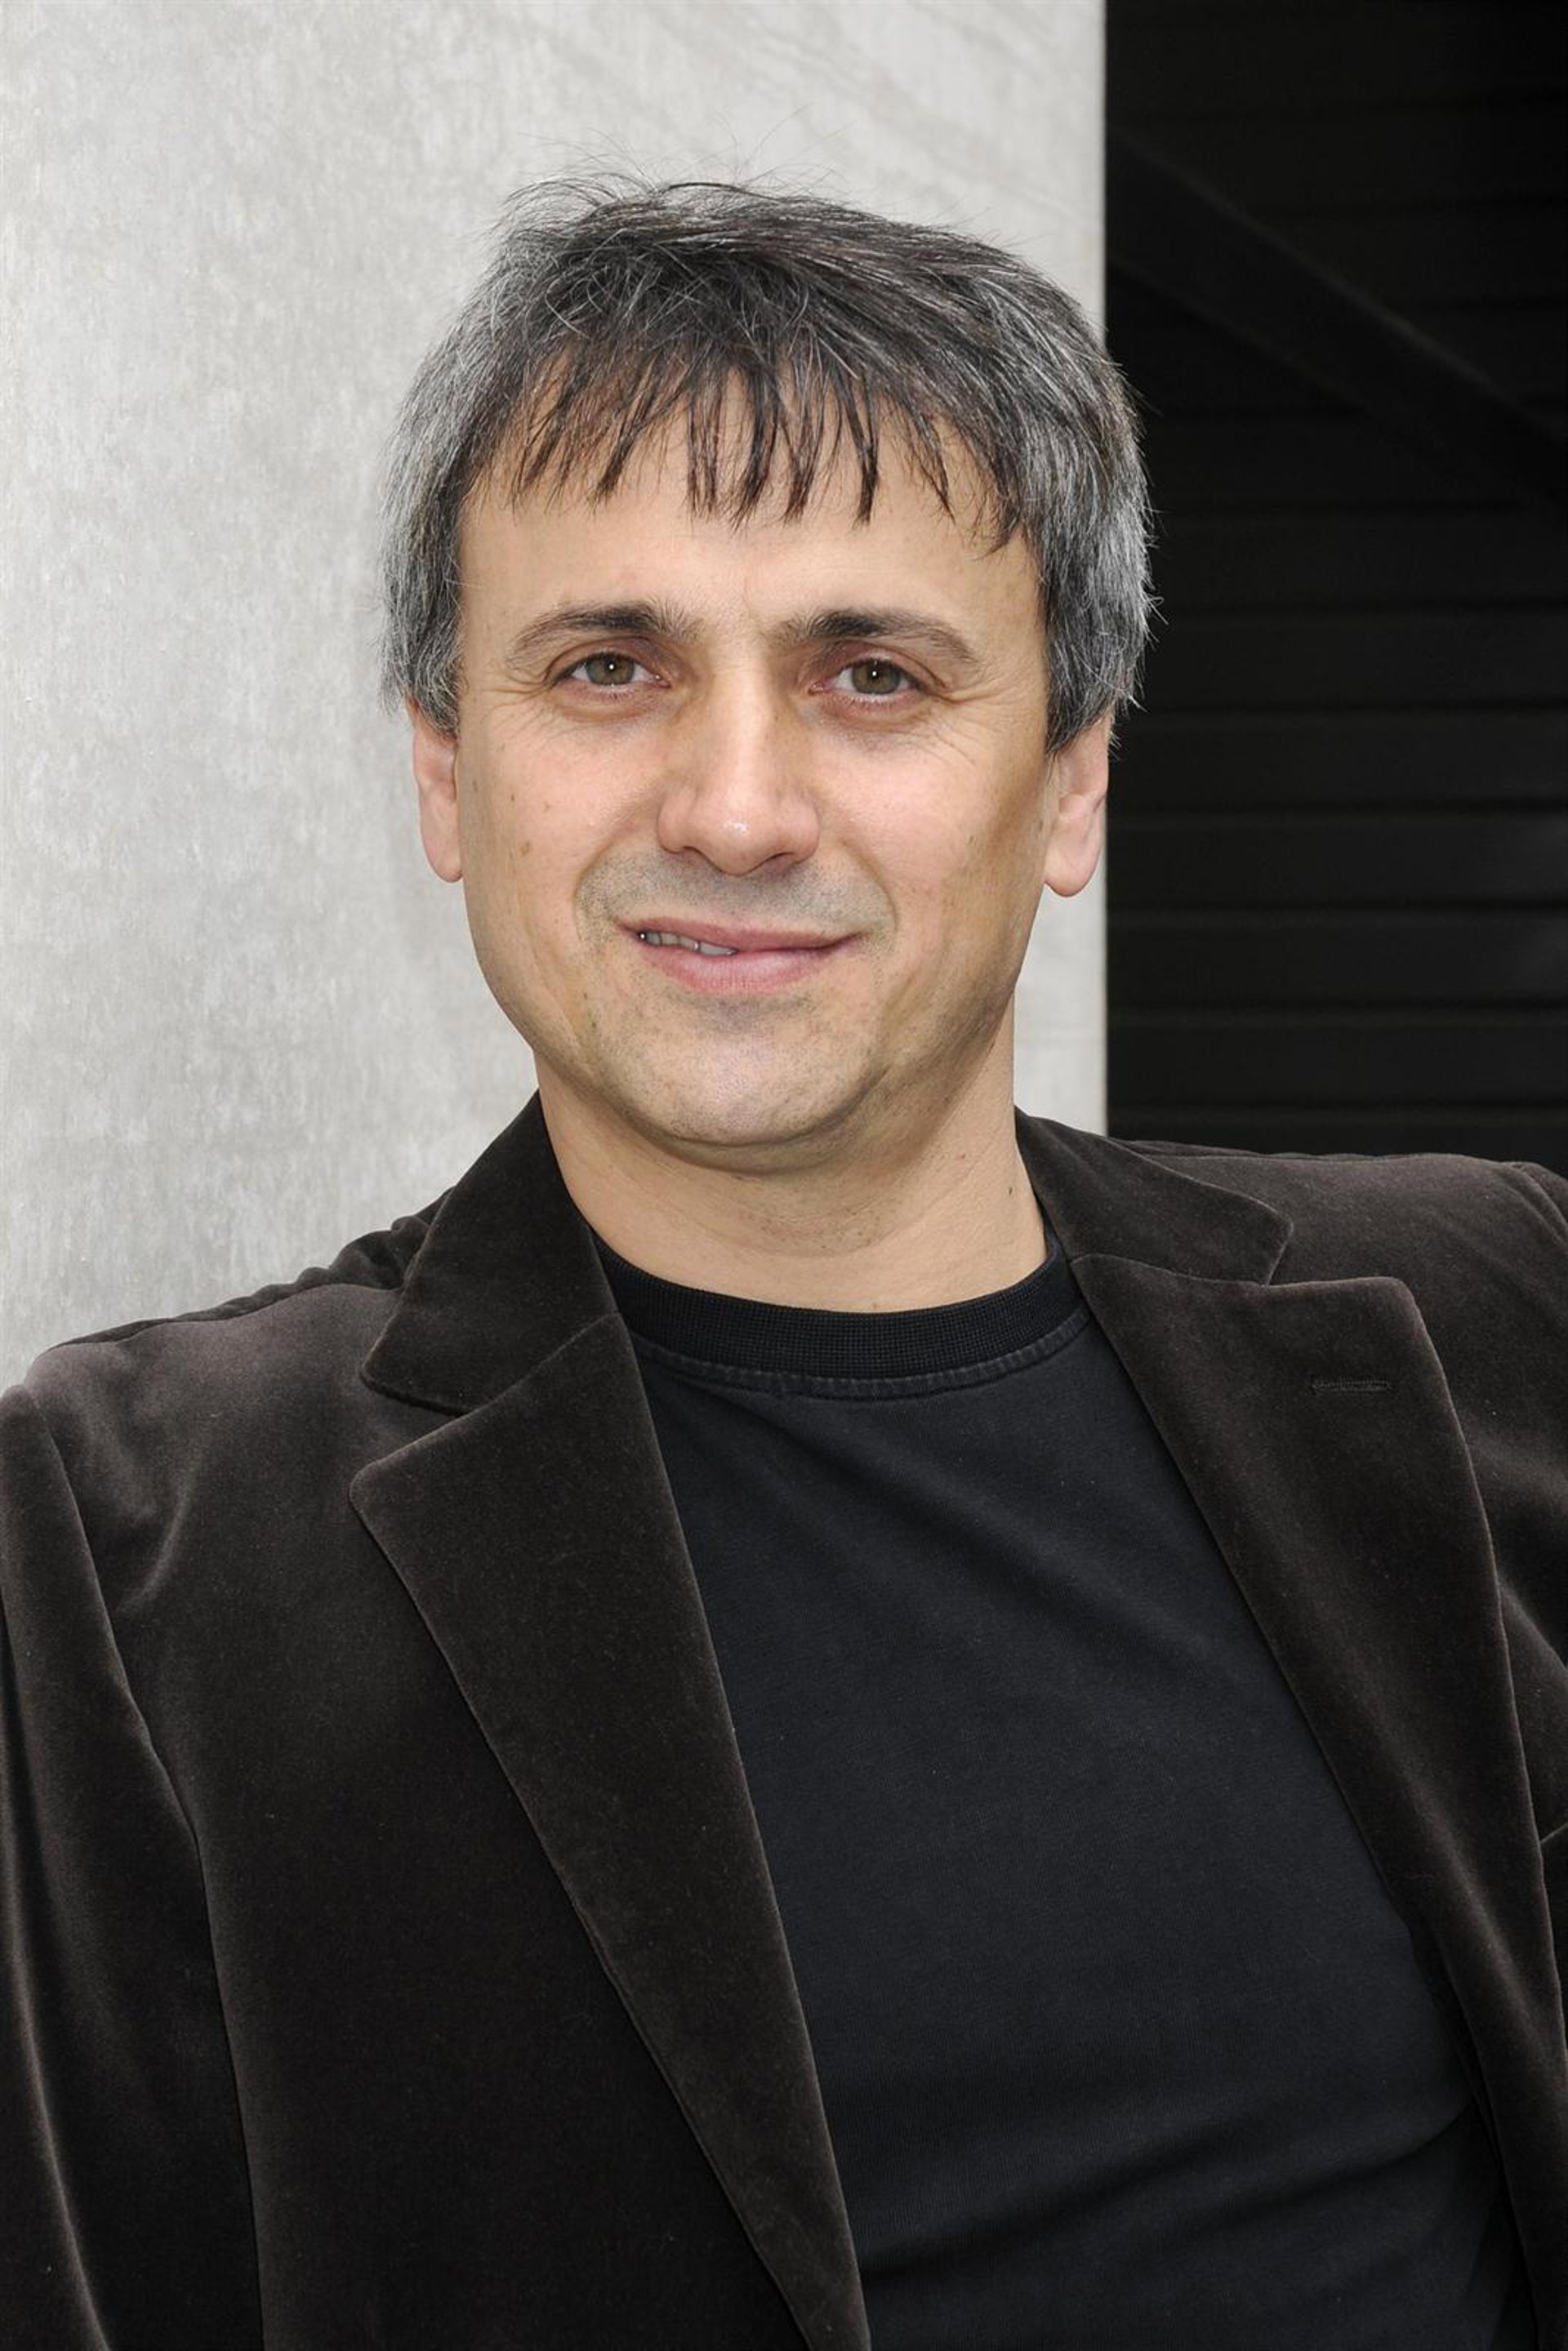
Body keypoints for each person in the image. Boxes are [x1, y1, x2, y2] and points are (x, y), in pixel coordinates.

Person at [2, 175, 1563, 2351]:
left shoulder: (1492, 1315)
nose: (735, 810)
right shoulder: (140, 1539)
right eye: (609, 666)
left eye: (872, 675)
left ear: (1072, 782)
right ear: (449, 770)